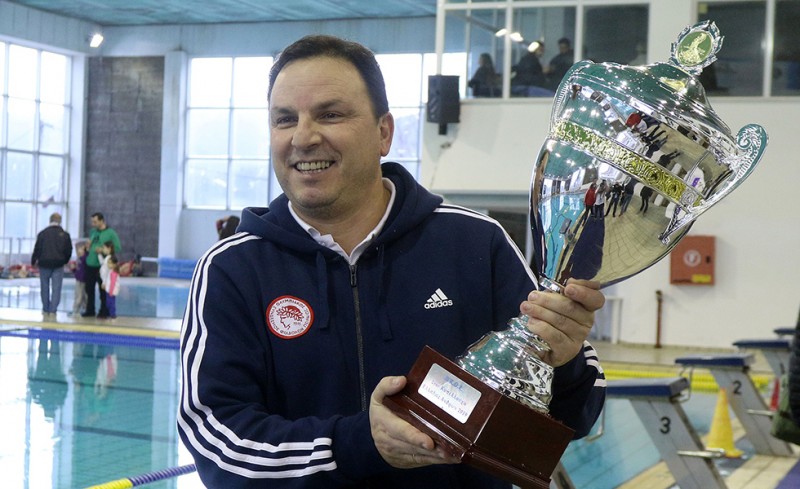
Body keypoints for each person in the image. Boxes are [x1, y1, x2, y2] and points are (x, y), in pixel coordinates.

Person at [178, 34, 606, 489]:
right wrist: (357, 444)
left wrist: (562, 361)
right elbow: (217, 443)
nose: (303, 137)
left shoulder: (475, 244)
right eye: (285, 119)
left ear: (384, 133)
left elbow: (575, 419)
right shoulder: (232, 268)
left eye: (330, 114)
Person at [31, 212, 73, 317]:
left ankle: (45, 309)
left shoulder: (42, 234)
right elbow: (69, 250)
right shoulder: (65, 235)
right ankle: (53, 310)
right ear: (60, 221)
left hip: (44, 263)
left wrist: (33, 260)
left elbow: (37, 248)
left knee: (44, 287)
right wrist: (65, 261)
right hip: (58, 264)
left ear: (50, 220)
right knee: (56, 288)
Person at [83, 213, 121, 319]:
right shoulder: (93, 232)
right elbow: (90, 245)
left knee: (103, 289)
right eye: (92, 221)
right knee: (89, 289)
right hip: (90, 263)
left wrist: (104, 251)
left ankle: (104, 311)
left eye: (95, 222)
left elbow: (118, 247)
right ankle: (90, 310)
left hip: (102, 266)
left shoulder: (111, 233)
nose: (93, 224)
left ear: (102, 221)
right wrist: (87, 247)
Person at [71, 240, 89, 316]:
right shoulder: (79, 259)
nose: (77, 251)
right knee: (79, 295)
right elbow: (78, 270)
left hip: (83, 280)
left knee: (82, 296)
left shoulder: (85, 258)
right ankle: (77, 309)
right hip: (79, 280)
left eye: (79, 249)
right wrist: (73, 269)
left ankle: (79, 310)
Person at [103, 255, 121, 319]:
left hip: (111, 291)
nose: (108, 264)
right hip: (109, 290)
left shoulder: (113, 273)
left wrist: (110, 291)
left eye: (110, 263)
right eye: (108, 263)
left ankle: (112, 314)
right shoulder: (111, 271)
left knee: (110, 303)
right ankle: (111, 313)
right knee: (109, 302)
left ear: (114, 265)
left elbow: (113, 283)